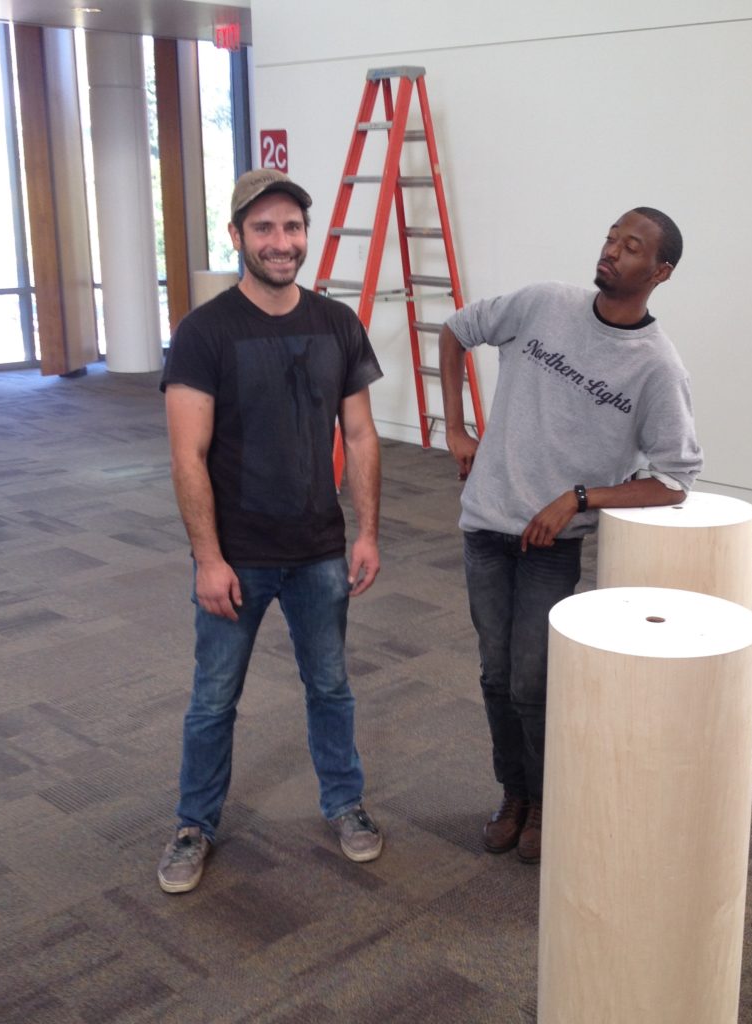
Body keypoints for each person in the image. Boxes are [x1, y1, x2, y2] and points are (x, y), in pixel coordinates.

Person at [438, 207, 703, 864]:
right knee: (496, 676)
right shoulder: (543, 304)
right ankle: (513, 795)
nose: (612, 251)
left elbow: (674, 481)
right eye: (611, 238)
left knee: (533, 684)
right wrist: (456, 428)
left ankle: (546, 801)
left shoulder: (656, 367)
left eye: (631, 246)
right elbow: (455, 330)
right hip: (486, 525)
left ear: (661, 272)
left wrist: (582, 498)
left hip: (550, 549)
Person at [156, 169, 385, 894]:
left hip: (319, 550)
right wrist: (207, 558)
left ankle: (345, 803)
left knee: (331, 687)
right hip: (238, 558)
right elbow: (187, 455)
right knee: (213, 699)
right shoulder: (204, 333)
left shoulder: (337, 324)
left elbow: (361, 434)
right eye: (263, 228)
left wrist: (367, 533)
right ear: (237, 236)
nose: (280, 242)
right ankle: (194, 824)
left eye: (291, 227)